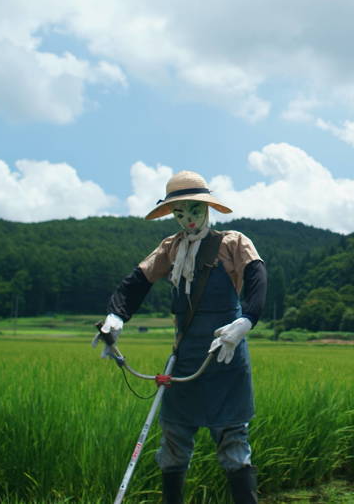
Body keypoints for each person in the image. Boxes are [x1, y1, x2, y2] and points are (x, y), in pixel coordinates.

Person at [95, 170, 266, 504]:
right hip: (183, 358)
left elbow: (257, 276)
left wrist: (246, 320)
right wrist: (116, 316)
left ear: (207, 209)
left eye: (194, 211)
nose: (188, 220)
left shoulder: (232, 243)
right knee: (173, 442)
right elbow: (137, 281)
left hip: (225, 354)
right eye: (179, 213)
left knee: (234, 444)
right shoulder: (170, 248)